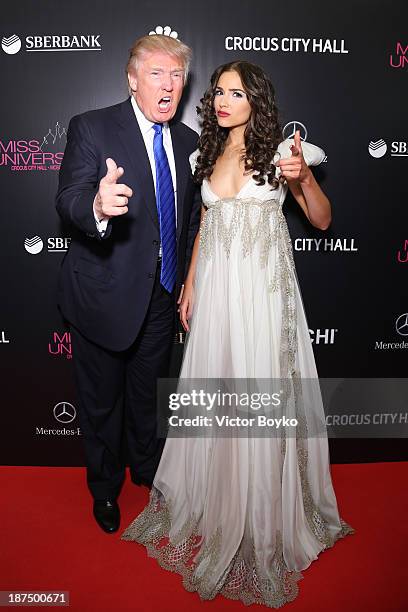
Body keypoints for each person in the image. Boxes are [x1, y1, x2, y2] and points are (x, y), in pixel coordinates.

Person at [122, 61, 354, 607]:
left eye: (236, 92)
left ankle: (264, 515)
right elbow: (206, 224)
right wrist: (191, 283)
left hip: (264, 301)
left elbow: (321, 220)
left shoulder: (282, 154)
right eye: (219, 92)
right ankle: (218, 497)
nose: (223, 101)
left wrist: (306, 179)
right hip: (218, 299)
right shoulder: (204, 154)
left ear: (257, 100)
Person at [55, 34, 201, 534]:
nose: (168, 85)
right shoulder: (93, 127)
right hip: (102, 295)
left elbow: (190, 223)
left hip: (161, 296)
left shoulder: (188, 142)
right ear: (132, 79)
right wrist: (96, 207)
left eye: (176, 75)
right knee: (101, 404)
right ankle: (104, 489)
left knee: (149, 397)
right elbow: (69, 198)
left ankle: (149, 471)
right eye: (157, 73)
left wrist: (186, 282)